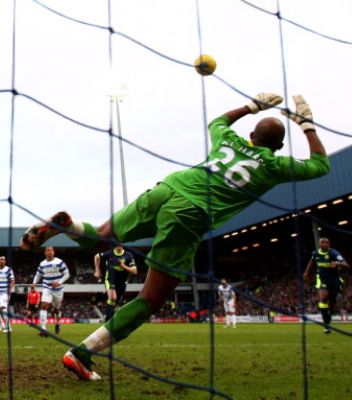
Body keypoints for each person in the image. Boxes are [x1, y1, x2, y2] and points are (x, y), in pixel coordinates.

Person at [21, 93, 330, 380]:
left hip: (169, 188)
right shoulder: (274, 165)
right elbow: (321, 165)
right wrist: (306, 125)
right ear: (276, 147)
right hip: (190, 214)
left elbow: (217, 122)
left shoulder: (228, 140)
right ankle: (81, 353)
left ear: (252, 135)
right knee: (150, 299)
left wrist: (251, 106)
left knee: (102, 237)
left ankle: (67, 226)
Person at [303, 237, 350, 334]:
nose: (325, 244)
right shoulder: (315, 253)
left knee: (332, 302)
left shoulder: (334, 253)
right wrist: (306, 272)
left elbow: (347, 265)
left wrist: (337, 263)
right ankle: (326, 324)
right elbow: (311, 263)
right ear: (320, 245)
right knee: (323, 298)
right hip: (322, 278)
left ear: (329, 244)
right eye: (323, 242)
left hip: (334, 279)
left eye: (327, 242)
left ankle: (328, 317)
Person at [94, 244, 137, 322]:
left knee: (116, 302)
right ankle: (108, 322)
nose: (118, 245)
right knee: (112, 298)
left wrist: (123, 266)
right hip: (110, 278)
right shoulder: (109, 253)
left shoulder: (129, 255)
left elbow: (134, 271)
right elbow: (97, 256)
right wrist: (97, 271)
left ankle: (110, 314)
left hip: (122, 282)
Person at [32, 246, 70, 336]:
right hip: (47, 288)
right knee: (44, 305)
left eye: (51, 250)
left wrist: (59, 282)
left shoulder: (59, 262)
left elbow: (67, 274)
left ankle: (57, 323)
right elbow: (38, 275)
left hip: (58, 290)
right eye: (48, 251)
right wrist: (34, 283)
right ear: (45, 253)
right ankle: (43, 329)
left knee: (56, 310)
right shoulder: (42, 264)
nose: (50, 252)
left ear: (54, 252)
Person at [0, 255, 15, 333]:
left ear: (5, 261)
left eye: (3, 260)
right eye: (1, 259)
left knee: (3, 308)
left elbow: (12, 280)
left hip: (4, 292)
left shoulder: (8, 269)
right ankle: (2, 325)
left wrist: (10, 288)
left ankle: (8, 327)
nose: (2, 261)